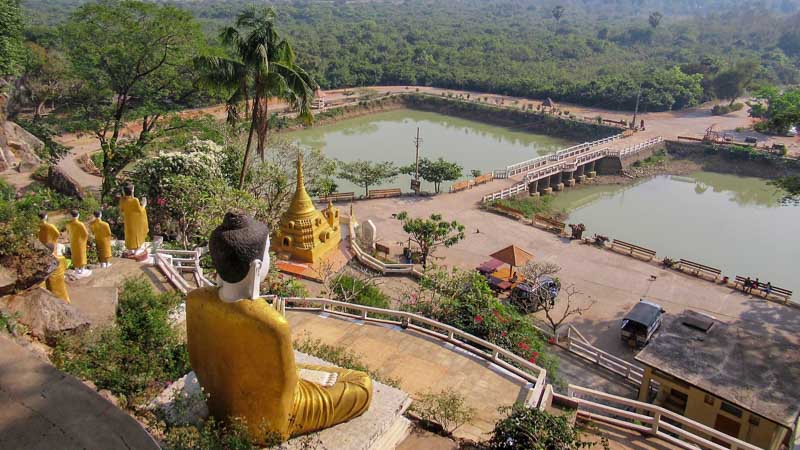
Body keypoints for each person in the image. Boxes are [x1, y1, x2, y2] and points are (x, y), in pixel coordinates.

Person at [186, 212, 372, 443]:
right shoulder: (272, 325)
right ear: (256, 267)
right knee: (361, 384)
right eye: (268, 255)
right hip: (274, 422)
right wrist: (275, 323)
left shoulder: (195, 300)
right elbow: (288, 394)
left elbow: (202, 360)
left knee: (322, 373)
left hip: (220, 406)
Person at [119, 182, 149, 257]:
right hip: (136, 222)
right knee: (136, 235)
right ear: (132, 191)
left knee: (129, 235)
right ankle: (136, 250)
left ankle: (130, 250)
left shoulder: (122, 200)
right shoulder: (135, 200)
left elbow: (122, 210)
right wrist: (144, 205)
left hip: (128, 221)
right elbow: (140, 210)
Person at [66, 210, 91, 278]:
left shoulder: (69, 224)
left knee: (75, 255)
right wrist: (84, 240)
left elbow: (68, 233)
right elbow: (86, 234)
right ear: (78, 215)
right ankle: (82, 270)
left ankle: (77, 269)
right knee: (81, 255)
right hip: (80, 242)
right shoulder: (80, 224)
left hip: (73, 242)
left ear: (71, 216)